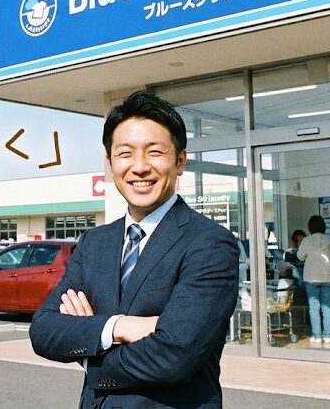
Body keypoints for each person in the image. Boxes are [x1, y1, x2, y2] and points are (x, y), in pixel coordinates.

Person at [30, 91, 239, 409]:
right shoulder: (94, 243)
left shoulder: (209, 243)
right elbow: (44, 330)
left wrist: (89, 348)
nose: (139, 167)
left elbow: (175, 356)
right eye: (125, 153)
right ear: (110, 164)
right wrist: (118, 327)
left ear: (180, 161)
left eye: (155, 152)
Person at [296, 215, 330, 346]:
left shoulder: (306, 241)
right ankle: (328, 336)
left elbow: (300, 256)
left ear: (310, 227)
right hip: (327, 276)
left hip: (311, 277)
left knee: (314, 307)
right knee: (327, 307)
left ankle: (317, 336)